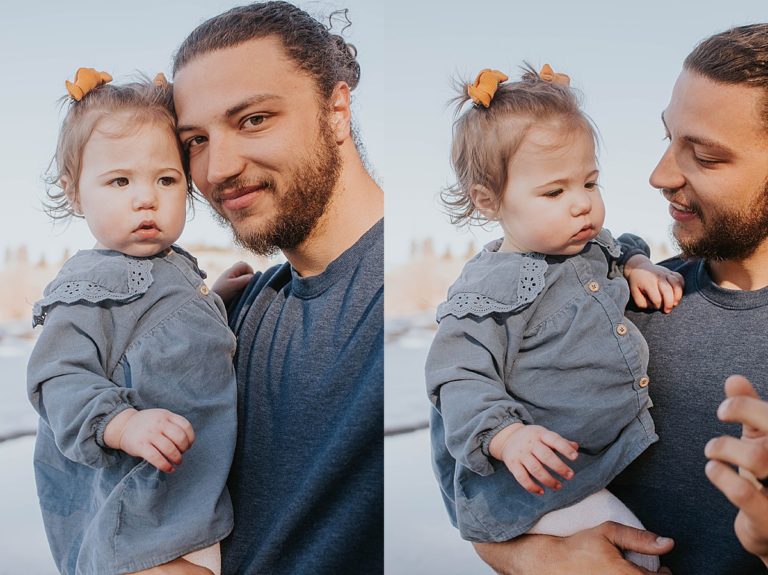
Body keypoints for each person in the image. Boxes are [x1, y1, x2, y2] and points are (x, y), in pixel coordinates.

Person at [472, 23, 768, 575]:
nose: (659, 175)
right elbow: (468, 478)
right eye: (668, 138)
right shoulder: (614, 302)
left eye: (703, 156)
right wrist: (540, 560)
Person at [425, 64, 683, 572]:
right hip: (539, 486)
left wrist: (636, 264)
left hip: (593, 463)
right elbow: (456, 377)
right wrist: (506, 436)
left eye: (590, 182)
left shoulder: (588, 248)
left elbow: (619, 246)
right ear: (489, 200)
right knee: (636, 559)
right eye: (554, 192)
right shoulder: (487, 292)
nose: (582, 204)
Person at [170, 2, 384, 574]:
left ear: (336, 110)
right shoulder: (240, 312)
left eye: (253, 120)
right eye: (195, 140)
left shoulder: (420, 297)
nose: (218, 169)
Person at [27, 70, 238, 575]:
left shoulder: (176, 271)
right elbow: (58, 377)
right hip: (137, 519)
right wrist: (122, 423)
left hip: (186, 508)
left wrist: (217, 300)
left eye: (166, 179)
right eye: (119, 181)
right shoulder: (90, 284)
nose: (146, 198)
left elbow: (165, 336)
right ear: (75, 192)